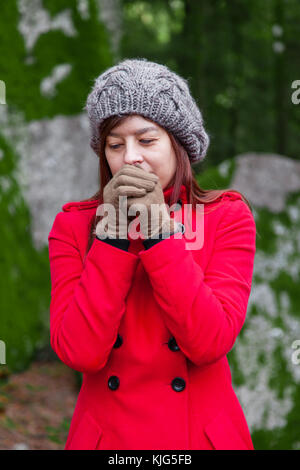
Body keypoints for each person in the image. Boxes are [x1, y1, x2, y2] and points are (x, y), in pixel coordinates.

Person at [48, 58, 256, 450]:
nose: (130, 158)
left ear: (178, 146)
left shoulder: (227, 216)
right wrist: (111, 237)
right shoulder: (74, 227)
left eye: (146, 140)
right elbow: (80, 351)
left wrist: (160, 232)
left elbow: (209, 341)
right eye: (115, 144)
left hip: (199, 439)